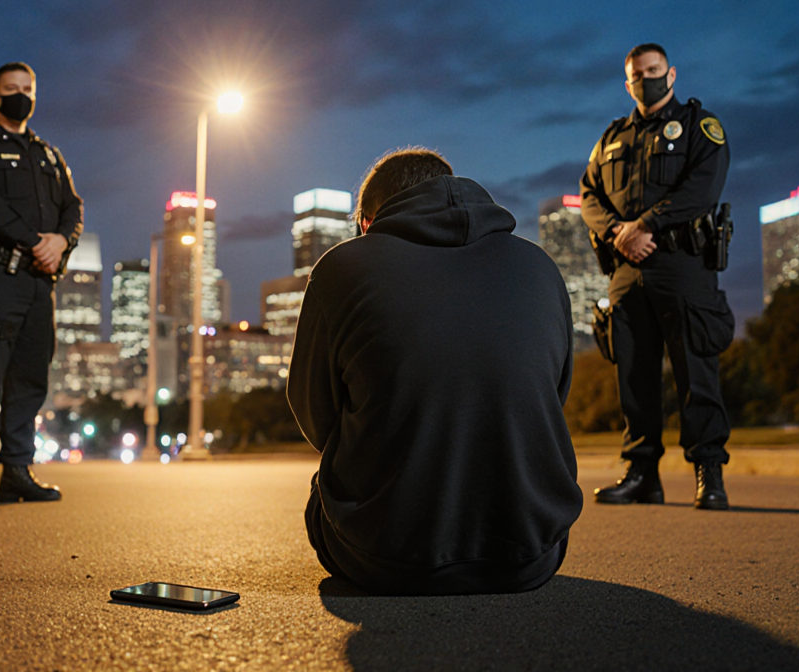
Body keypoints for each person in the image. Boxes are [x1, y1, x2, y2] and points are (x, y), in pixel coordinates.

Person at [288, 148, 583, 595]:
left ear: (368, 222)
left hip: (381, 559)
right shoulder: (540, 267)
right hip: (529, 557)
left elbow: (317, 417)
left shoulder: (341, 268)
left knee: (323, 489)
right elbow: (550, 398)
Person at [580, 43, 734, 510]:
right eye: (637, 74)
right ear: (627, 83)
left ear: (671, 74)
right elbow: (589, 194)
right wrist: (619, 234)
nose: (646, 78)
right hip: (627, 269)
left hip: (681, 263)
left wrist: (645, 225)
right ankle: (642, 474)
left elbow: (703, 187)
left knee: (695, 370)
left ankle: (709, 472)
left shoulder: (698, 127)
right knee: (634, 375)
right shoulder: (611, 137)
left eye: (654, 70)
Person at [0, 62, 82, 506]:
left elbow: (72, 208)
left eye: (27, 89)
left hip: (41, 284)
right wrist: (34, 243)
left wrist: (62, 241)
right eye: (11, 89)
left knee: (30, 379)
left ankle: (17, 470)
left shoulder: (49, 155)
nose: (20, 95)